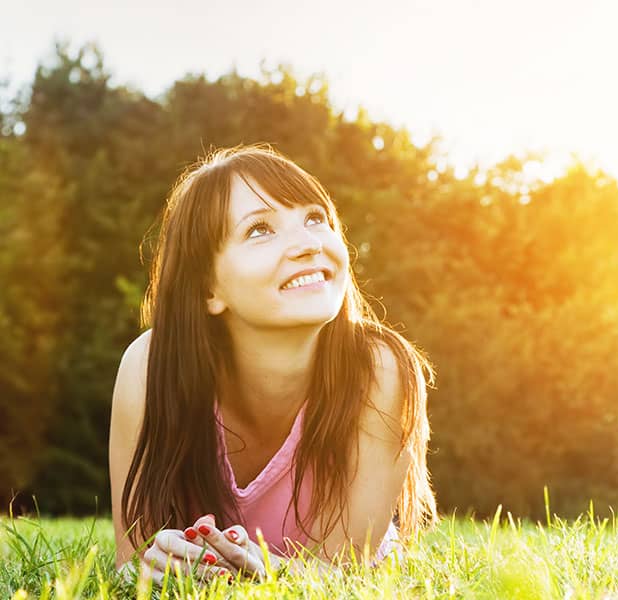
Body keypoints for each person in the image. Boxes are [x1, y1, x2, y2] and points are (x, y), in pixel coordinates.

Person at [108, 144, 437, 586]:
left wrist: (265, 571)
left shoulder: (380, 371)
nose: (307, 244)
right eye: (260, 230)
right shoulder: (147, 369)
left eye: (316, 219)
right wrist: (158, 566)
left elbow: (345, 574)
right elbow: (131, 563)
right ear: (209, 289)